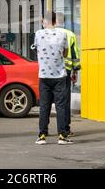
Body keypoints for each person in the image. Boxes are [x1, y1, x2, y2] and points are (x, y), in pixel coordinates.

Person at [33, 11, 73, 145]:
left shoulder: (38, 34)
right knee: (61, 106)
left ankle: (42, 135)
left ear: (44, 20)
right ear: (56, 21)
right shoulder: (63, 34)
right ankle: (62, 136)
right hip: (59, 75)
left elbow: (36, 49)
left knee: (44, 106)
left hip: (44, 76)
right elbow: (66, 52)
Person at [55, 12, 81, 137]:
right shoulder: (70, 34)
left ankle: (44, 129)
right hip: (66, 70)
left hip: (51, 71)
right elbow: (75, 54)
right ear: (63, 21)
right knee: (64, 101)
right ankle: (65, 129)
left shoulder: (48, 34)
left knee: (48, 101)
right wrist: (75, 71)